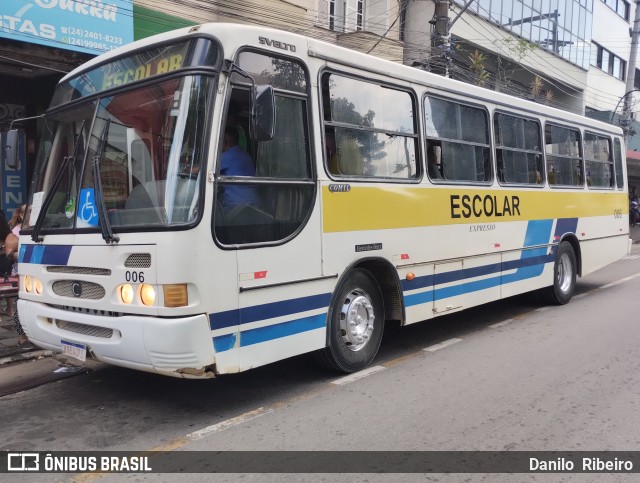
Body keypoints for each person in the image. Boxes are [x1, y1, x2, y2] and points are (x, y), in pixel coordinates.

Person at [0, 211, 31, 349]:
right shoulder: (17, 229)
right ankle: (22, 336)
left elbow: (8, 239)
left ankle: (25, 336)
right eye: (27, 212)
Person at [219, 126, 259, 208]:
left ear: (224, 142)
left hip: (237, 206)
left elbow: (199, 170)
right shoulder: (243, 153)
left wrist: (186, 168)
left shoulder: (228, 155)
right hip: (252, 203)